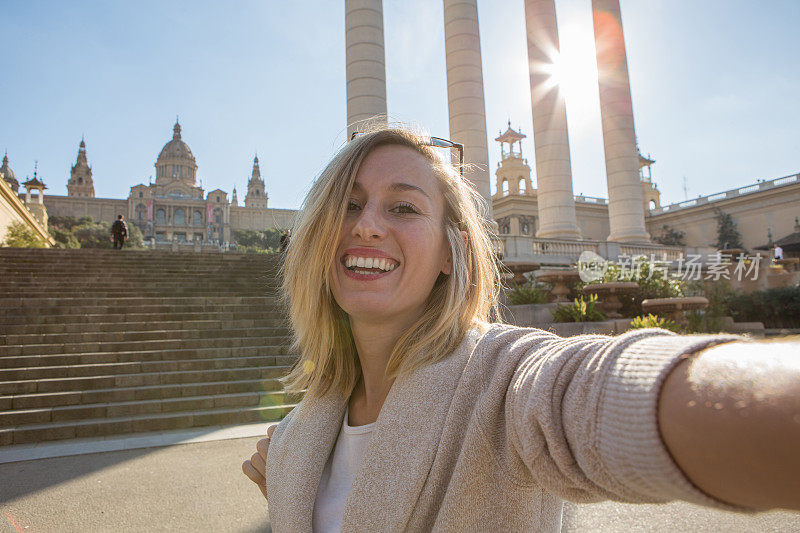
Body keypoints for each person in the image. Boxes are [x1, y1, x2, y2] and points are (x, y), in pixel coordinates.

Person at [242, 126, 800, 531]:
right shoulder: (300, 440)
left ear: (450, 252)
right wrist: (296, 487)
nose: (366, 226)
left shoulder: (504, 382)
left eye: (404, 208)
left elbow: (588, 393)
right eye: (350, 204)